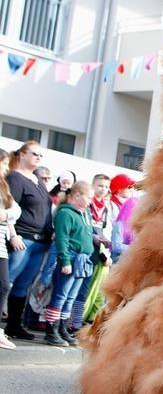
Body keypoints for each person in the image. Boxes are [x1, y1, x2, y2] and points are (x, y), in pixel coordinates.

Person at [5, 141, 53, 340]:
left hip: (40, 241)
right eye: (35, 154)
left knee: (23, 285)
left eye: (41, 155)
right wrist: (13, 234)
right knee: (6, 281)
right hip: (23, 238)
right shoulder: (15, 178)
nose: (38, 158)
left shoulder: (36, 179)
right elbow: (9, 207)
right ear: (23, 154)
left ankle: (13, 325)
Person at [44, 181, 94, 347]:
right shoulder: (66, 213)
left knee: (71, 296)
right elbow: (62, 239)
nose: (90, 201)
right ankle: (51, 329)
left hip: (81, 260)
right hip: (71, 258)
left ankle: (63, 327)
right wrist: (65, 261)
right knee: (61, 294)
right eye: (88, 197)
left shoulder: (83, 213)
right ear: (77, 195)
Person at [70, 174, 112, 332]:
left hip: (98, 251)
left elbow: (105, 230)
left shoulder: (105, 208)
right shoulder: (86, 205)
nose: (103, 189)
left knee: (89, 288)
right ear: (92, 186)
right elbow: (86, 229)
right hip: (84, 249)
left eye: (106, 187)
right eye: (100, 186)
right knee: (77, 286)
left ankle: (77, 320)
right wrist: (95, 237)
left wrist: (105, 250)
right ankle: (71, 321)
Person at [0, 149, 21, 350]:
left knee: (4, 285)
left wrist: (6, 216)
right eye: (4, 164)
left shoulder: (3, 186)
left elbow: (16, 210)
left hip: (1, 244)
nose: (7, 168)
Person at [110, 196, 137, 263]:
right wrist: (136, 248)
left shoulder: (136, 226)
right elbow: (116, 246)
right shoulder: (119, 225)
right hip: (118, 262)